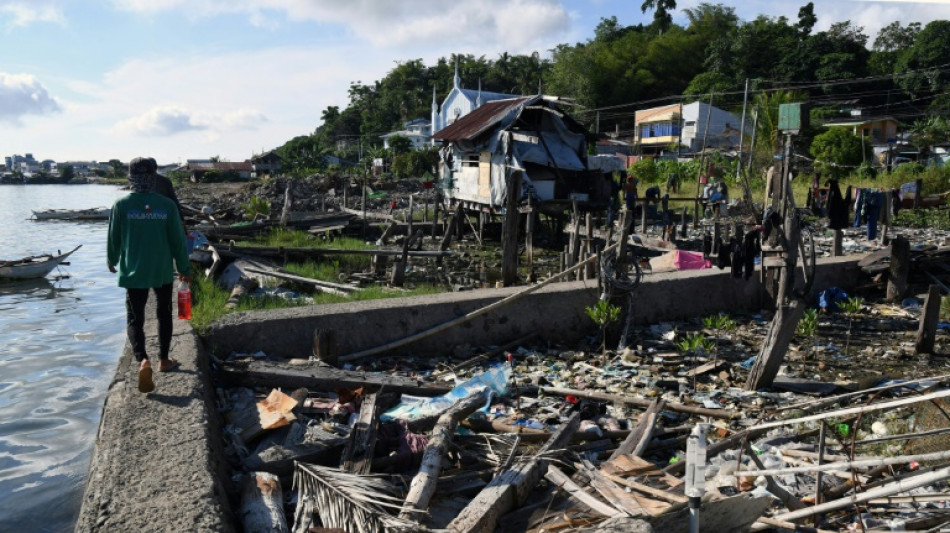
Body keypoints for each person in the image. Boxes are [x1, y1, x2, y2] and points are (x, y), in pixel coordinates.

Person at [108, 157, 192, 393]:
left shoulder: (121, 205)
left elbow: (114, 237)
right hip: (161, 270)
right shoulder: (166, 206)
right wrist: (184, 269)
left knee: (135, 318)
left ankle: (142, 359)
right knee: (164, 314)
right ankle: (164, 360)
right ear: (154, 175)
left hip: (133, 272)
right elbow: (178, 241)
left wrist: (111, 259)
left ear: (130, 177)